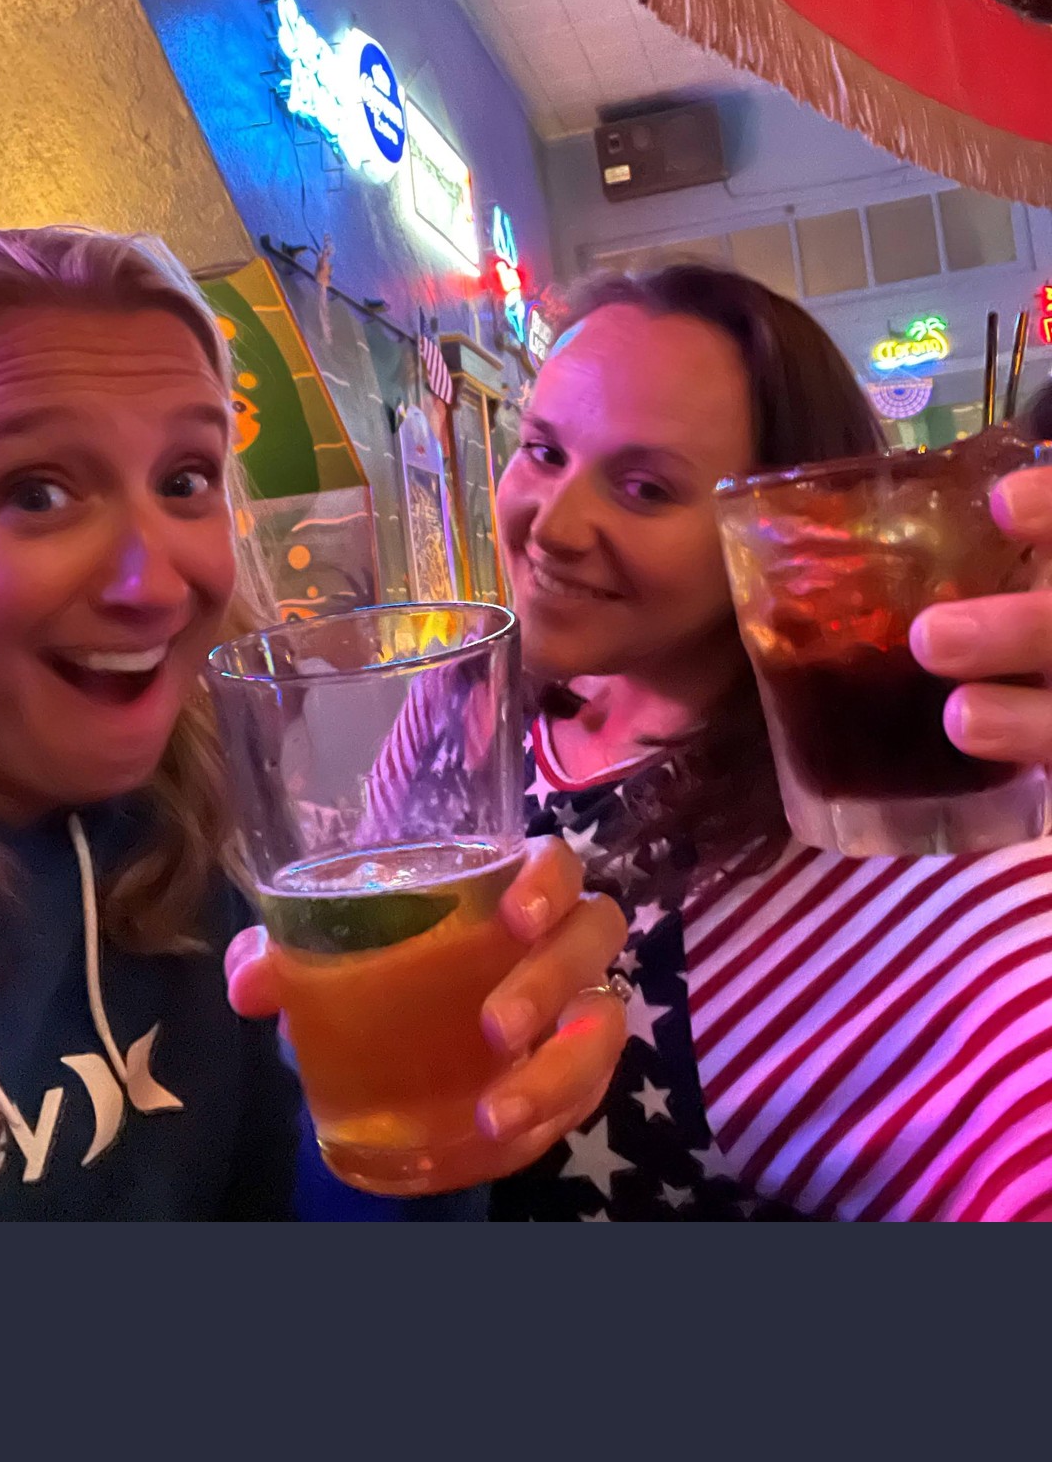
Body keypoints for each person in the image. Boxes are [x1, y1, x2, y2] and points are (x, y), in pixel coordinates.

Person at [238, 263, 1052, 1220]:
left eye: (644, 488)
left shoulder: (873, 836)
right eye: (543, 451)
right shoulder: (462, 699)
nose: (553, 525)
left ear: (789, 533)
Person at [0, 223, 626, 1221]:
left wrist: (435, 1124)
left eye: (185, 481)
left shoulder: (206, 866)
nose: (157, 585)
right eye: (38, 493)